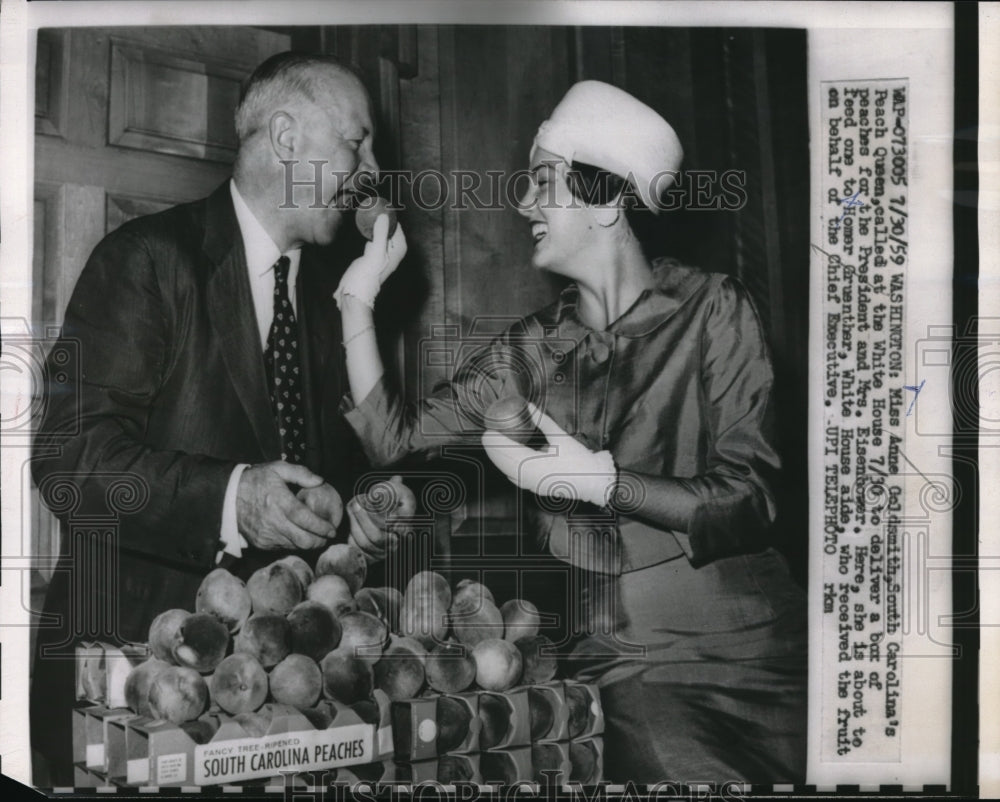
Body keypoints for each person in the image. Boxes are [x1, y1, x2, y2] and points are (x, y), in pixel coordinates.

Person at [334, 81, 807, 783]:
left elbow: (753, 498)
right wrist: (357, 297)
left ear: (609, 199)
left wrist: (603, 484)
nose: (523, 203)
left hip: (768, 646)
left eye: (543, 181)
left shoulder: (714, 309)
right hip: (628, 662)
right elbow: (394, 439)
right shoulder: (530, 349)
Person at [30, 52, 403, 786]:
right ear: (287, 138)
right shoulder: (144, 260)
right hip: (139, 696)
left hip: (278, 709)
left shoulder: (338, 301)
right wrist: (233, 497)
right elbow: (70, 461)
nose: (373, 171)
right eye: (358, 143)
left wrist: (364, 505)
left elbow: (339, 470)